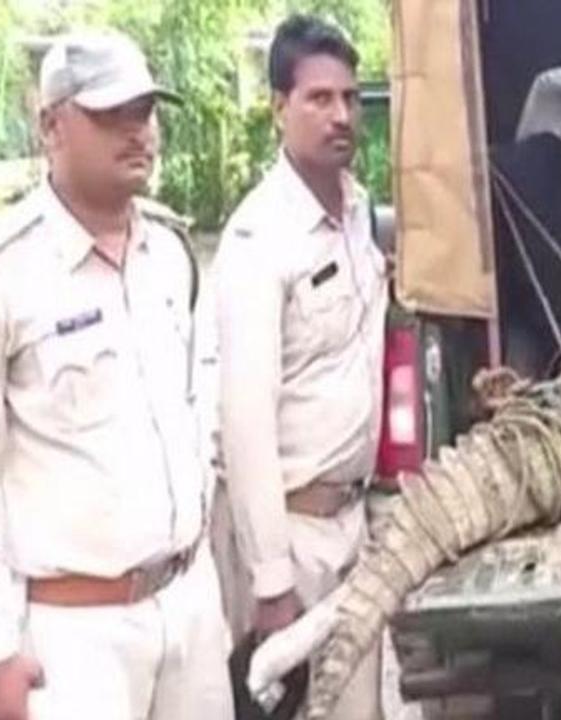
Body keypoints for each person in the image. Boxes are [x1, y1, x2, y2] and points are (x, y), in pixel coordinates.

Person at [0, 31, 232, 720]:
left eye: (147, 113)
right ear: (51, 127)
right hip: (75, 635)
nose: (139, 134)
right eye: (112, 115)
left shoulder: (172, 252)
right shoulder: (10, 272)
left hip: (186, 602)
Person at [210, 14, 386, 720]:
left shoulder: (357, 213)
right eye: (318, 98)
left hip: (354, 530)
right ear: (278, 106)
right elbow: (244, 422)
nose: (340, 115)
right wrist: (272, 581)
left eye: (349, 97)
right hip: (293, 536)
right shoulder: (258, 240)